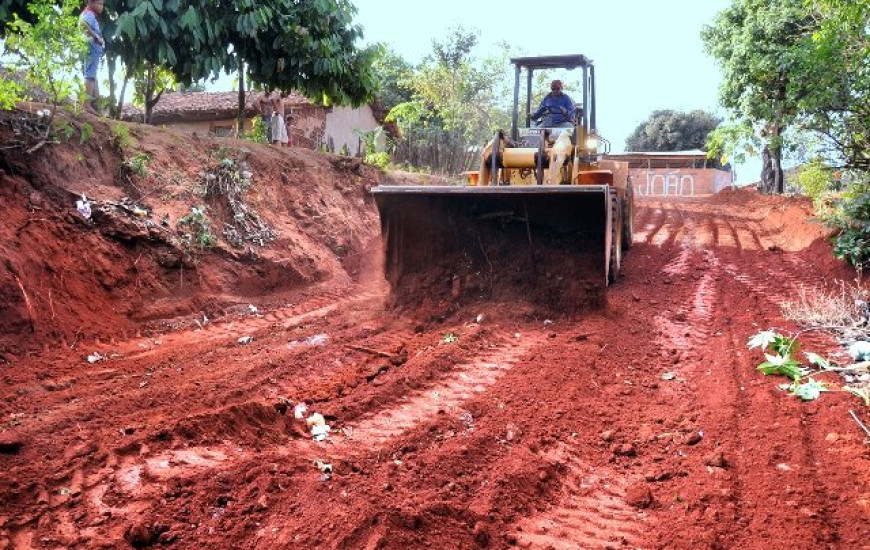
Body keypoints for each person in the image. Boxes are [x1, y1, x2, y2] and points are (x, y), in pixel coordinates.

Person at [79, 0, 105, 115]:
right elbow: (83, 25)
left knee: (90, 75)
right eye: (99, 3)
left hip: (93, 48)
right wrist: (96, 37)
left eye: (102, 4)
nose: (102, 7)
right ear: (90, 2)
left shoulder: (89, 14)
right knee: (90, 76)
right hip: (92, 47)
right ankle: (86, 105)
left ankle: (87, 104)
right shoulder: (88, 14)